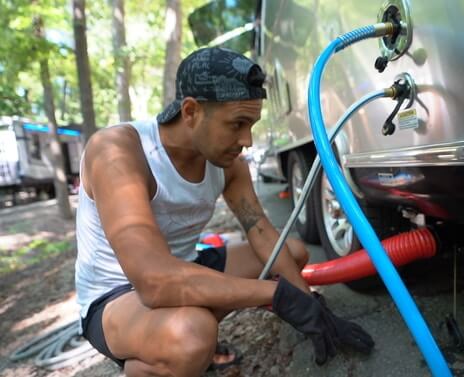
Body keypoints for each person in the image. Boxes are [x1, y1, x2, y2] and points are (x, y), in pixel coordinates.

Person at [74, 47, 374, 376]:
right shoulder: (118, 151)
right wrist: (278, 296)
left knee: (293, 254)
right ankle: (151, 362)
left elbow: (259, 228)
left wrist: (311, 306)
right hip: (116, 297)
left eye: (251, 125)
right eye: (237, 124)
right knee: (192, 335)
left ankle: (169, 345)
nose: (246, 139)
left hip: (183, 268)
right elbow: (154, 281)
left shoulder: (229, 164)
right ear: (190, 112)